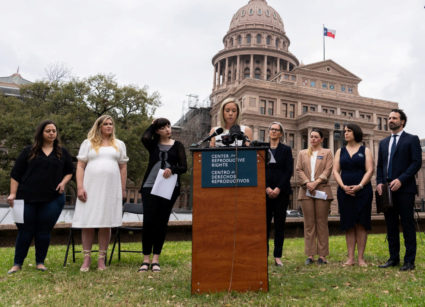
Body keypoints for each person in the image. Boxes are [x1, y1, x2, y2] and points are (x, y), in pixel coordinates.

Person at [7, 120, 74, 274]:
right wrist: (12, 194)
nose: (51, 133)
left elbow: (69, 171)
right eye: (48, 131)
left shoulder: (62, 152)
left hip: (53, 199)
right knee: (25, 231)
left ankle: (40, 262)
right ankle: (17, 264)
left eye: (54, 131)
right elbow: (15, 174)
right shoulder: (28, 151)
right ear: (41, 133)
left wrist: (63, 183)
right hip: (25, 198)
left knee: (44, 230)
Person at [72, 115, 128, 272]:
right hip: (90, 187)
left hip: (110, 189)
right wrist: (80, 187)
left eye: (111, 124)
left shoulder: (119, 144)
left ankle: (101, 259)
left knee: (106, 222)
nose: (109, 126)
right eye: (105, 124)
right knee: (88, 222)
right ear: (99, 126)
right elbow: (81, 166)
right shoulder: (88, 143)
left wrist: (122, 189)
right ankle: (86, 258)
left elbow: (123, 167)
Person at [138, 118, 187, 272]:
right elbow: (144, 137)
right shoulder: (153, 145)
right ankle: (145, 259)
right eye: (163, 127)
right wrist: (152, 125)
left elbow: (183, 167)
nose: (167, 129)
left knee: (161, 222)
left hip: (170, 187)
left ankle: (155, 259)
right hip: (149, 187)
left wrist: (172, 169)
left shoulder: (178, 145)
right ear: (157, 131)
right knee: (149, 222)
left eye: (168, 126)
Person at [376, 109, 422, 271]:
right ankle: (393, 258)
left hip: (405, 189)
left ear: (402, 121)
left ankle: (409, 261)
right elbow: (380, 166)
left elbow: (416, 163)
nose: (390, 120)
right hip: (387, 190)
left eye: (394, 118)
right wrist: (379, 182)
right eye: (389, 118)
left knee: (408, 224)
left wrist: (401, 179)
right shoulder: (383, 143)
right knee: (391, 225)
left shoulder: (412, 140)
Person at [333, 124, 373, 266]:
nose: (346, 133)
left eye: (349, 131)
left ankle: (361, 258)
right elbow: (336, 171)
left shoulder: (365, 150)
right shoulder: (340, 151)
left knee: (361, 224)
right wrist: (343, 186)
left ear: (356, 133)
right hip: (345, 192)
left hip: (363, 191)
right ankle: (350, 258)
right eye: (345, 131)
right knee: (349, 224)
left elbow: (370, 170)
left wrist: (360, 186)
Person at [296, 128, 333, 265]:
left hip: (322, 190)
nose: (313, 139)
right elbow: (298, 169)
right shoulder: (302, 153)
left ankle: (322, 256)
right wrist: (307, 183)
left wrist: (316, 182)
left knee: (321, 223)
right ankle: (310, 255)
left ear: (321, 139)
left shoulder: (327, 152)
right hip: (306, 191)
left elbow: (328, 169)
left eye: (316, 137)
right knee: (309, 224)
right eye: (311, 136)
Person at [265, 122, 293, 267]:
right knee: (264, 225)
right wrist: (267, 188)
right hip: (265, 193)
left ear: (281, 134)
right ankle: (264, 255)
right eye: (272, 129)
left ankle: (277, 256)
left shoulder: (286, 150)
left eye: (276, 130)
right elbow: (258, 170)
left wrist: (278, 188)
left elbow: (289, 171)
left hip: (281, 193)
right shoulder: (262, 149)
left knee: (279, 225)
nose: (273, 132)